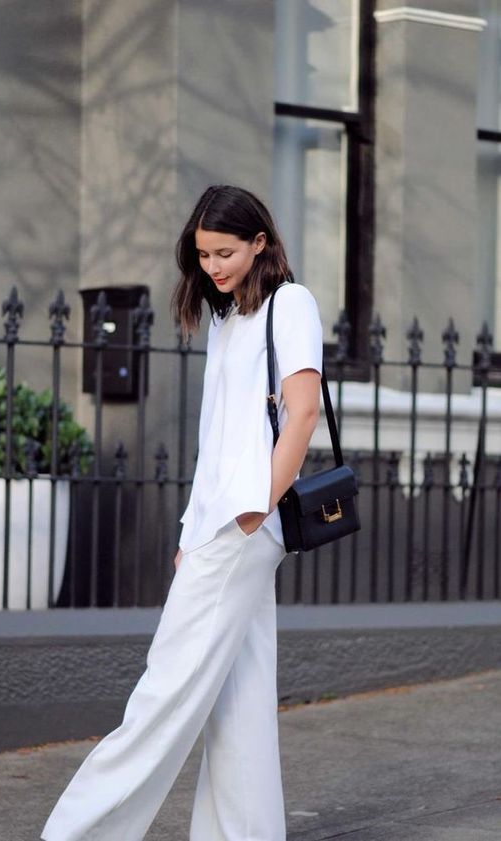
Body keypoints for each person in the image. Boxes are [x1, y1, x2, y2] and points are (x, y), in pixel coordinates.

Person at [40, 184, 323, 841]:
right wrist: (192, 529)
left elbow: (303, 413)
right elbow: (217, 435)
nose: (213, 266)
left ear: (260, 243)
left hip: (243, 524)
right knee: (240, 695)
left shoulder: (291, 304)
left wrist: (253, 510)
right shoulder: (227, 318)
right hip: (219, 526)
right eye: (202, 255)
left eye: (226, 252)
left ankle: (76, 834)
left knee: (162, 694)